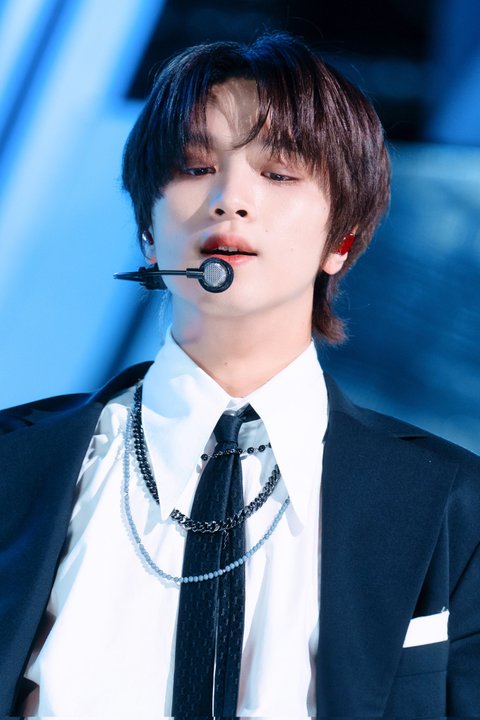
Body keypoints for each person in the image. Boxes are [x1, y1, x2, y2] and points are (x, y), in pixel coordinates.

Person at [1, 32, 479, 719]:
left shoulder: (450, 502)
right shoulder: (17, 464)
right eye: (196, 167)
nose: (230, 198)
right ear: (148, 230)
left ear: (342, 239)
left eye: (278, 174)